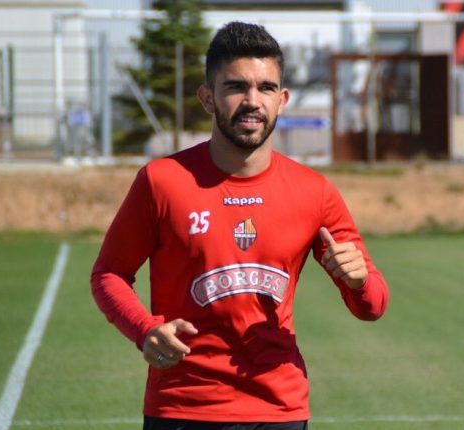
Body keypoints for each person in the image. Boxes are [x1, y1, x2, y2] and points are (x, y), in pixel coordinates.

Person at [91, 21, 389, 430]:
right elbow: (108, 273)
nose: (253, 101)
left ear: (282, 100)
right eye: (236, 87)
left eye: (266, 88)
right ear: (208, 98)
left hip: (279, 410)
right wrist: (145, 331)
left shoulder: (314, 191)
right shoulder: (162, 181)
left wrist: (357, 282)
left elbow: (373, 305)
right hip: (182, 408)